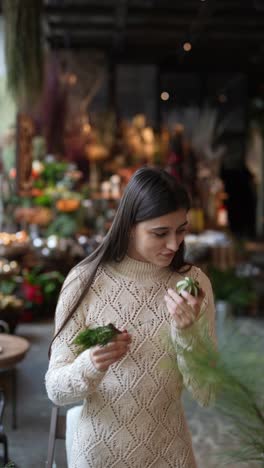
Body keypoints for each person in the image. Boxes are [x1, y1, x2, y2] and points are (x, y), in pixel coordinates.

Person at [45, 167, 216, 468]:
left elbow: (208, 393)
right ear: (127, 227)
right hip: (97, 455)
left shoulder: (194, 284)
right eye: (160, 233)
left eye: (181, 230)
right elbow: (56, 390)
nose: (174, 244)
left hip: (169, 455)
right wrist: (90, 364)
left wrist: (187, 333)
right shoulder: (84, 281)